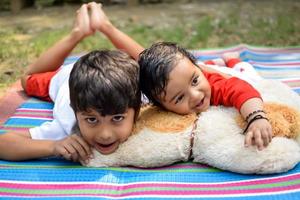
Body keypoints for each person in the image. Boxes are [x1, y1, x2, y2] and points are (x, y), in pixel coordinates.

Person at [88, 3, 272, 151]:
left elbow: (245, 91)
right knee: (150, 64)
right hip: (195, 71)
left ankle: (232, 61)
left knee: (246, 72)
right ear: (159, 105)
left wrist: (256, 117)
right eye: (179, 98)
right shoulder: (159, 93)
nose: (196, 95)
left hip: (227, 74)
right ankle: (105, 25)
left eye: (195, 81)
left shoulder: (214, 86)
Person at [0, 4, 141, 163]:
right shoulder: (67, 127)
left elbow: (157, 65)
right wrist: (53, 146)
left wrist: (107, 28)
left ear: (136, 111)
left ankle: (105, 25)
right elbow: (3, 143)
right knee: (28, 78)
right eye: (92, 120)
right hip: (63, 78)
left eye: (117, 118)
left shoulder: (136, 95)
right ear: (75, 111)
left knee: (154, 69)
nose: (105, 134)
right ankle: (77, 33)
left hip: (102, 75)